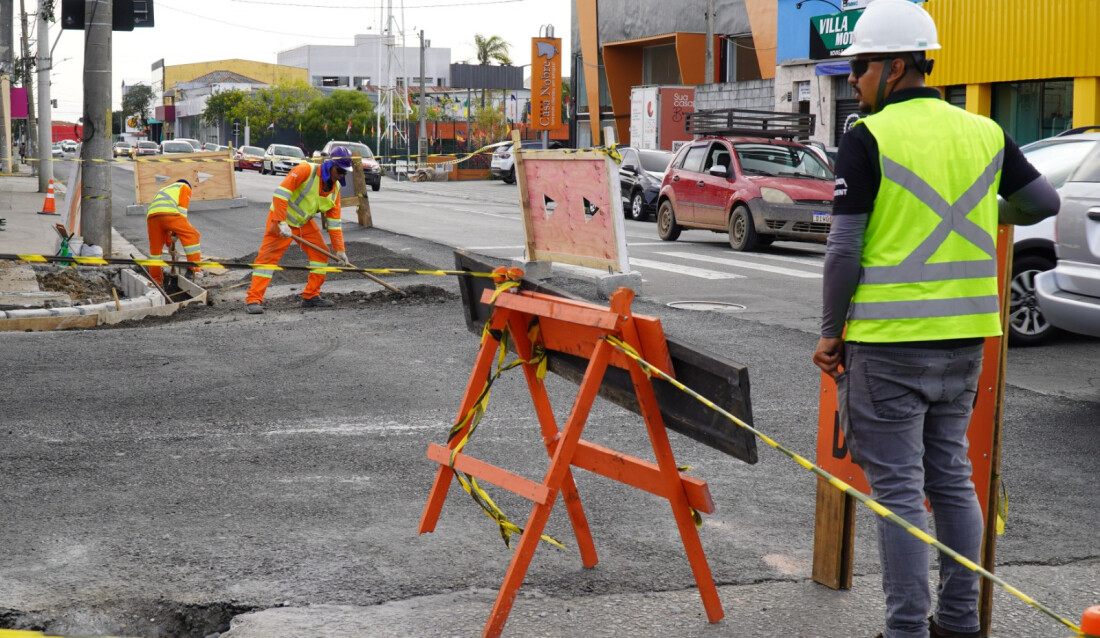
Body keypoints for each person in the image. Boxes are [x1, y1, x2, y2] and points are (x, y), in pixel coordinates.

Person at [811, 1, 1060, 637]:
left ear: (895, 67)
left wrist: (830, 331)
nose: (854, 80)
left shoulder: (868, 137)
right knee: (951, 481)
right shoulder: (984, 131)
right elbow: (1041, 201)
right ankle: (957, 623)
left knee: (898, 493)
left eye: (861, 67)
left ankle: (905, 631)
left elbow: (843, 248)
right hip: (965, 341)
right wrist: (986, 212)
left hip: (889, 344)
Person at [244, 145, 353, 314]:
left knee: (321, 254)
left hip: (303, 224)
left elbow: (334, 223)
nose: (341, 175)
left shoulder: (335, 190)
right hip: (281, 220)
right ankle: (253, 300)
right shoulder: (306, 170)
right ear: (330, 165)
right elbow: (280, 194)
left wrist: (340, 250)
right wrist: (281, 222)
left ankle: (311, 296)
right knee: (267, 259)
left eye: (345, 172)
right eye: (339, 170)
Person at [146, 179, 202, 286]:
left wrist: (170, 244)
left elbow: (165, 225)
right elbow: (182, 213)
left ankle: (156, 280)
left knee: (155, 251)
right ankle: (194, 269)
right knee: (193, 234)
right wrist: (177, 232)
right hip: (167, 213)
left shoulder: (166, 189)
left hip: (152, 217)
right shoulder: (185, 187)